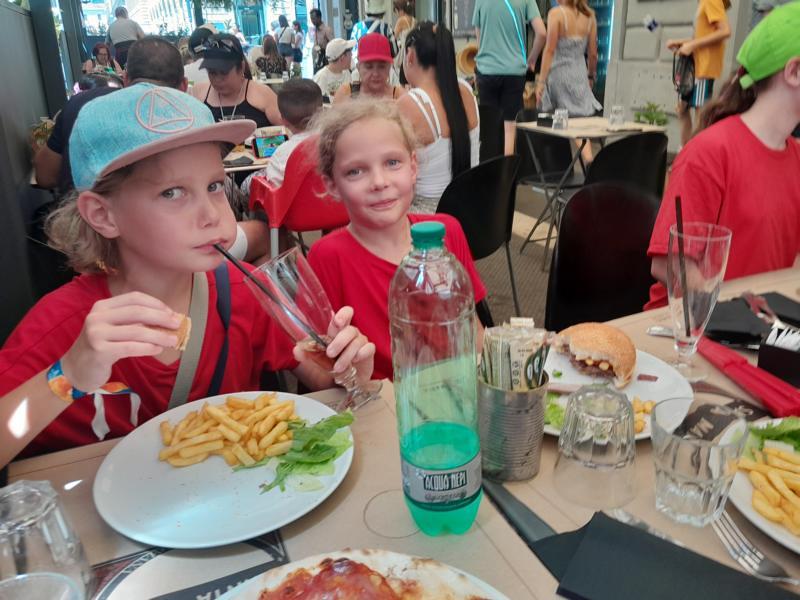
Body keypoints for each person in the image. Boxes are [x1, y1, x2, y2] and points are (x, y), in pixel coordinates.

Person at [0, 83, 375, 466]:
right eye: (172, 193)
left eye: (214, 186)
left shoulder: (243, 290)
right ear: (102, 215)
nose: (212, 214)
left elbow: (319, 378)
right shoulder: (63, 327)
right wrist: (68, 375)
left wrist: (348, 369)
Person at [307, 99, 486, 382]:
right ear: (332, 185)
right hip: (382, 399)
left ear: (413, 167)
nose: (379, 182)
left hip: (458, 393)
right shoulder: (327, 256)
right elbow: (321, 367)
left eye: (392, 163)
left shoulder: (447, 232)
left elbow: (472, 329)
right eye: (355, 171)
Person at [646, 2, 800, 310]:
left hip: (762, 325)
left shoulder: (795, 157)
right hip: (690, 327)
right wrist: (743, 319)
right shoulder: (709, 153)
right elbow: (669, 264)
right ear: (794, 71)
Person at [35, 36, 188, 196]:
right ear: (184, 86)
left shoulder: (80, 105)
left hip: (77, 207)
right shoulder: (194, 120)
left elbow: (45, 177)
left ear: (125, 80)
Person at [397, 22, 479, 213]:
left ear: (410, 55)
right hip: (470, 210)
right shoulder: (466, 90)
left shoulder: (409, 103)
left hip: (428, 217)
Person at [473, 0, 546, 155]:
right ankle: (508, 166)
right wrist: (532, 59)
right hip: (514, 70)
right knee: (510, 126)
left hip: (487, 70)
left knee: (489, 126)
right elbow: (541, 33)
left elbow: (478, 36)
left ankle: (491, 165)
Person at [666, 0, 731, 146]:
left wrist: (692, 45)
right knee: (682, 110)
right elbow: (704, 36)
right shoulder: (703, 2)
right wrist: (681, 42)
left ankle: (695, 154)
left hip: (704, 68)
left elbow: (725, 31)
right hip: (695, 66)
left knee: (700, 116)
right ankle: (686, 151)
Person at [242, 79, 324, 192]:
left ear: (283, 120)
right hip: (328, 200)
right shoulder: (335, 143)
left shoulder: (281, 154)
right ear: (322, 112)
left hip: (290, 202)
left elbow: (273, 187)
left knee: (246, 184)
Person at [191, 33, 280, 128]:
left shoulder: (262, 94)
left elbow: (287, 129)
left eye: (224, 72)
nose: (217, 79)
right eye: (212, 73)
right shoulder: (198, 94)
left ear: (241, 68)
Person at [535, 0, 601, 117]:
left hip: (558, 75)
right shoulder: (590, 17)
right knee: (580, 119)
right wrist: (590, 76)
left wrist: (541, 82)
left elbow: (549, 50)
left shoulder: (556, 14)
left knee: (558, 120)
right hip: (580, 77)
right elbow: (593, 54)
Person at [333, 34, 405, 103]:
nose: (375, 74)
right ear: (358, 67)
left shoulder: (400, 97)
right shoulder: (345, 94)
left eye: (381, 67)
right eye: (369, 67)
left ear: (389, 67)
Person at [351, 0, 398, 64]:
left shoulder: (357, 27)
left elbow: (352, 51)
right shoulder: (387, 28)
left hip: (361, 66)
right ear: (382, 13)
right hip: (381, 65)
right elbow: (395, 51)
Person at [392, 0, 416, 74]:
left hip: (404, 52)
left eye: (396, 12)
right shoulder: (414, 20)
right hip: (413, 50)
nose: (397, 15)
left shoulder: (401, 20)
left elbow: (393, 38)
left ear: (399, 10)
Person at [310, 8, 333, 73]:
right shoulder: (315, 29)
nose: (312, 21)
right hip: (316, 60)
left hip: (324, 60)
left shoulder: (327, 30)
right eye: (311, 19)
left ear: (319, 17)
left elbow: (332, 45)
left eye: (313, 18)